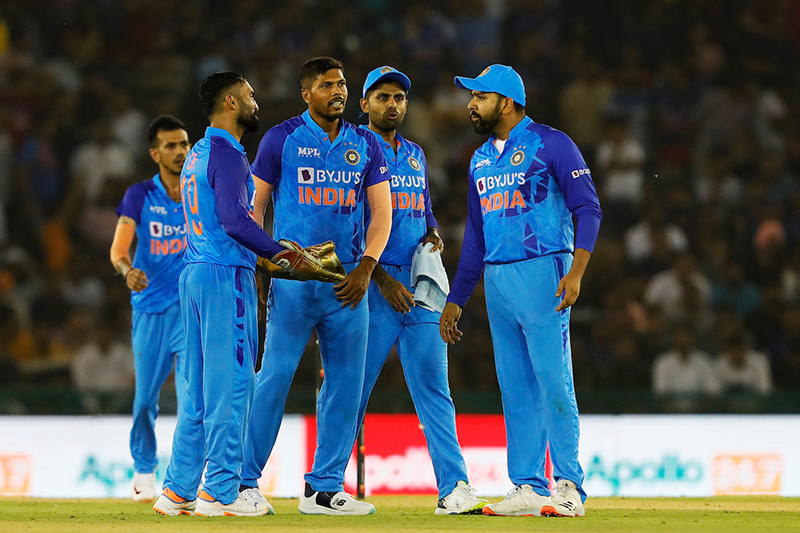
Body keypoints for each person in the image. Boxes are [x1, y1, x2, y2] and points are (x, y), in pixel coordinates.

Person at [440, 65, 602, 518]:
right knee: (515, 386)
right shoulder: (478, 160)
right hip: (497, 280)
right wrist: (457, 298)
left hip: (544, 271)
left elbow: (588, 208)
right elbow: (476, 237)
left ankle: (568, 486)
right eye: (472, 97)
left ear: (507, 102)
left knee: (553, 378)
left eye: (480, 97)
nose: (471, 104)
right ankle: (528, 485)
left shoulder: (553, 143)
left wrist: (577, 271)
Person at [241, 57, 392, 515]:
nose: (338, 91)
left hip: (347, 283)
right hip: (293, 279)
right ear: (306, 94)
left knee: (346, 384)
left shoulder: (366, 143)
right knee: (274, 377)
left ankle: (323, 489)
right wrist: (263, 263)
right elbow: (254, 207)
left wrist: (367, 268)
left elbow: (382, 214)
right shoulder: (281, 138)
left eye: (341, 84)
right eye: (327, 85)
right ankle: (243, 482)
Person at [152, 71, 288, 517]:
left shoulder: (197, 152)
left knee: (197, 390)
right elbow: (234, 219)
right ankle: (222, 491)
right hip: (224, 276)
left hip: (194, 272)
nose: (255, 102)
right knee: (233, 384)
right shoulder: (228, 155)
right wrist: (280, 253)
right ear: (230, 102)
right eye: (249, 95)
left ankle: (178, 490)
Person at [355, 66, 487, 515]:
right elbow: (348, 222)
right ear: (364, 104)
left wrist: (432, 231)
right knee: (351, 390)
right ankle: (324, 484)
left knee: (435, 390)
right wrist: (380, 278)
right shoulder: (353, 150)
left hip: (419, 284)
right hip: (373, 285)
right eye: (383, 97)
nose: (392, 105)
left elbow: (423, 206)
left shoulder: (414, 153)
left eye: (399, 98)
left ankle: (454, 488)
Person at [109, 115, 190, 502]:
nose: (180, 151)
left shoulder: (200, 193)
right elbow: (118, 250)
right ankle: (144, 468)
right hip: (151, 310)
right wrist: (128, 272)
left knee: (192, 401)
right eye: (171, 146)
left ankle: (185, 476)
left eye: (184, 143)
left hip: (191, 310)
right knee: (145, 401)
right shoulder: (139, 195)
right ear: (155, 153)